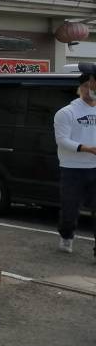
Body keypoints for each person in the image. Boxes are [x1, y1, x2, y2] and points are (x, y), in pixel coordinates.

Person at [54, 62, 96, 254]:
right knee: (70, 209)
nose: (90, 90)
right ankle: (66, 235)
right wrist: (88, 149)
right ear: (80, 88)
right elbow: (62, 140)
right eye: (86, 86)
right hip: (72, 168)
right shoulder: (66, 112)